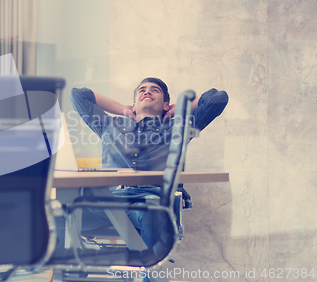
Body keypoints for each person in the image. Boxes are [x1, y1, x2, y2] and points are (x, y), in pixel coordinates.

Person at [56, 77, 228, 260]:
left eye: (154, 90)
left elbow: (217, 98)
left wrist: (175, 109)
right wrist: (123, 109)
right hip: (108, 203)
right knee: (55, 213)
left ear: (165, 104)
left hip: (149, 203)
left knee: (152, 210)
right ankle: (72, 268)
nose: (147, 92)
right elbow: (78, 95)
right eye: (142, 90)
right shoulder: (110, 125)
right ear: (134, 102)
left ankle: (148, 273)